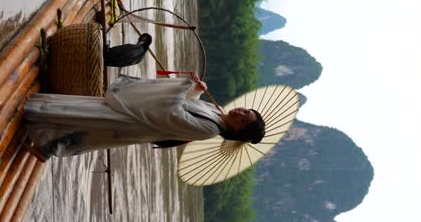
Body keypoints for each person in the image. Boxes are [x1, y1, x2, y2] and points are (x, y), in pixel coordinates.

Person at [24, 73, 265, 159]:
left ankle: (40, 128)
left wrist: (181, 87)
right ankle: (39, 116)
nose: (240, 113)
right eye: (245, 111)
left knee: (88, 120)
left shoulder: (209, 130)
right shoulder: (216, 113)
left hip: (137, 122)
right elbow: (190, 107)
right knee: (88, 110)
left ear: (238, 130)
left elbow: (171, 116)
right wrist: (195, 91)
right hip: (139, 114)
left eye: (244, 120)